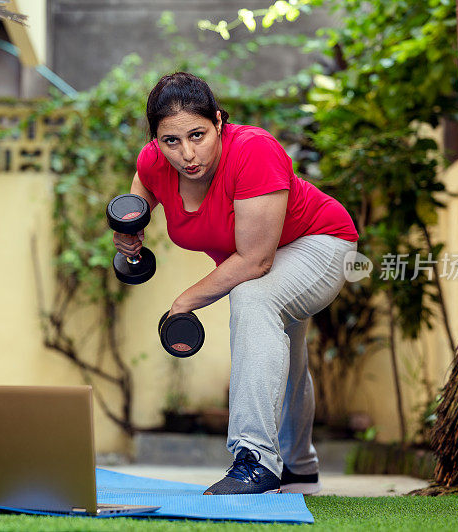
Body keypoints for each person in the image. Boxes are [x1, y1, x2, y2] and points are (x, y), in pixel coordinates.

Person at [113, 72, 359, 495]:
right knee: (286, 361)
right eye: (171, 141)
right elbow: (135, 209)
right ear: (155, 140)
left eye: (198, 135)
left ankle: (257, 460)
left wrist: (183, 302)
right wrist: (129, 238)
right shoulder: (152, 163)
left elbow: (256, 260)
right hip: (267, 260)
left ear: (220, 122)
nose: (188, 154)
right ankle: (299, 467)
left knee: (252, 295)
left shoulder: (253, 150)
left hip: (321, 244)